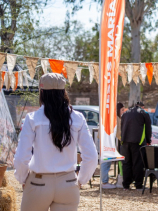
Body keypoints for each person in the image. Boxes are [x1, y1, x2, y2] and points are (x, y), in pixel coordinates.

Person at [14, 73, 98, 211]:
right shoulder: (77, 118)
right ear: (64, 92)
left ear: (42, 92)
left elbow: (21, 157)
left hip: (38, 184)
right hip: (68, 183)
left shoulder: (32, 118)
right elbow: (92, 156)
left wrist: (22, 178)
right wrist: (81, 180)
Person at [121, 101, 152, 190]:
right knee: (138, 163)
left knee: (126, 163)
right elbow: (148, 128)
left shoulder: (125, 113)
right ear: (142, 106)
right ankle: (138, 184)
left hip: (125, 141)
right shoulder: (143, 113)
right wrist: (148, 140)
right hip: (138, 142)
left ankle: (126, 185)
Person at [100, 102, 125, 189]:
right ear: (118, 110)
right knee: (106, 162)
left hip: (105, 140)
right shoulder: (115, 118)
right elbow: (118, 133)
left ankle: (104, 181)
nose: (123, 112)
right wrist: (123, 139)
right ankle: (104, 182)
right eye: (122, 110)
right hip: (107, 141)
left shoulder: (109, 115)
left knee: (106, 161)